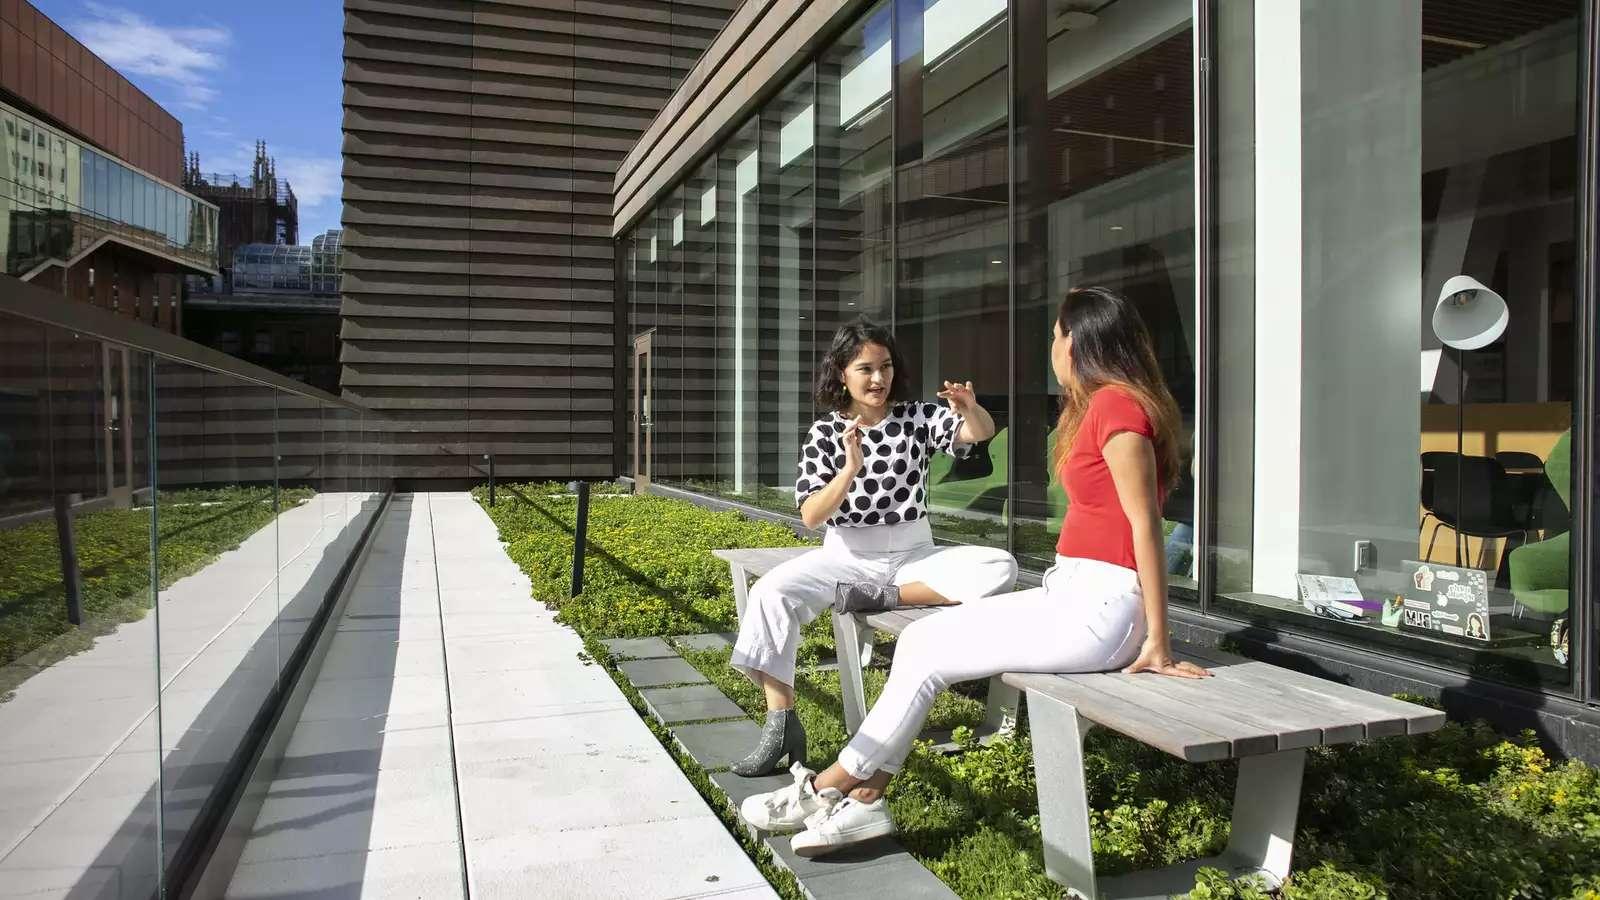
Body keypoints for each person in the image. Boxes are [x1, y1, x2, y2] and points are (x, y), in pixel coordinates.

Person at [738, 286, 1211, 857]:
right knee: (922, 644)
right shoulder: (1099, 406)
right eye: (866, 367)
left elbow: (1145, 529)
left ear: (1083, 343)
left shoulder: (1116, 407)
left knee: (931, 648)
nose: (1052, 345)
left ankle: (825, 787)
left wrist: (1158, 640)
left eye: (1058, 334)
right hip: (1070, 591)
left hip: (1102, 608)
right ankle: (864, 801)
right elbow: (812, 514)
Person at [726, 318, 1019, 777]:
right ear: (841, 373)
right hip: (843, 557)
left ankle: (888, 598)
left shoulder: (917, 417)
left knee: (1000, 564)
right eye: (865, 368)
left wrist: (970, 408)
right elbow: (810, 516)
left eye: (885, 367)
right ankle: (780, 723)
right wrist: (849, 469)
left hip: (912, 557)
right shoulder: (825, 433)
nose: (878, 379)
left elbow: (978, 433)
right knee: (770, 594)